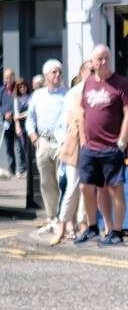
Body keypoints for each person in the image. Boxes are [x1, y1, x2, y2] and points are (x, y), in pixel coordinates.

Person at [75, 45, 128, 247]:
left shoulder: (120, 83)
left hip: (111, 147)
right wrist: (83, 141)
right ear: (92, 63)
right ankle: (92, 227)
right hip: (90, 147)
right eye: (99, 59)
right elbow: (81, 114)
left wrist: (122, 140)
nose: (103, 62)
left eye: (106, 58)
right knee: (86, 186)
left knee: (114, 189)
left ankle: (117, 231)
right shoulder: (88, 83)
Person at [49, 61, 92, 246]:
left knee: (87, 188)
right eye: (90, 70)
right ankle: (62, 225)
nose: (93, 73)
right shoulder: (75, 93)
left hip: (93, 145)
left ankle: (84, 226)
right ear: (82, 73)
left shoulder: (100, 89)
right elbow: (62, 124)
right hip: (75, 145)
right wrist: (62, 143)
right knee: (72, 187)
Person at [25, 59, 68, 234]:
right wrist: (33, 136)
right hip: (43, 141)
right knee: (46, 182)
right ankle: (51, 217)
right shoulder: (38, 95)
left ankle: (63, 219)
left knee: (62, 181)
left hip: (61, 142)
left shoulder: (67, 94)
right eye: (54, 72)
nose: (57, 75)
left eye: (59, 72)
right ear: (46, 76)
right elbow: (30, 118)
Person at [0, 67, 18, 177]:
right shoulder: (1, 91)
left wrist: (11, 113)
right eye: (6, 77)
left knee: (21, 146)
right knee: (9, 147)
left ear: (13, 77)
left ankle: (23, 169)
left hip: (17, 122)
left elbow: (22, 102)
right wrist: (4, 113)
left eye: (10, 77)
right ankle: (12, 170)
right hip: (6, 123)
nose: (8, 79)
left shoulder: (18, 89)